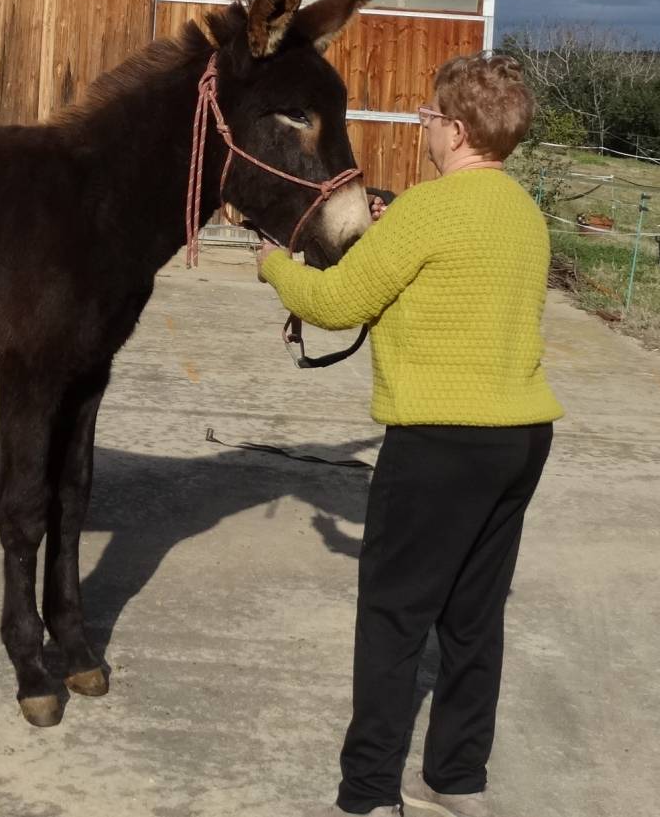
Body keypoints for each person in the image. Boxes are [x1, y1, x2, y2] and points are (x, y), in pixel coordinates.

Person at [258, 53, 564, 817]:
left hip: (438, 440)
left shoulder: (429, 209)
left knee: (394, 618)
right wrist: (389, 233)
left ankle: (367, 794)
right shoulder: (522, 212)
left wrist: (273, 267)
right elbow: (451, 279)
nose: (423, 127)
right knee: (473, 618)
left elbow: (336, 303)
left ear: (455, 131)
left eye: (428, 116)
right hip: (520, 437)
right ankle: (456, 778)